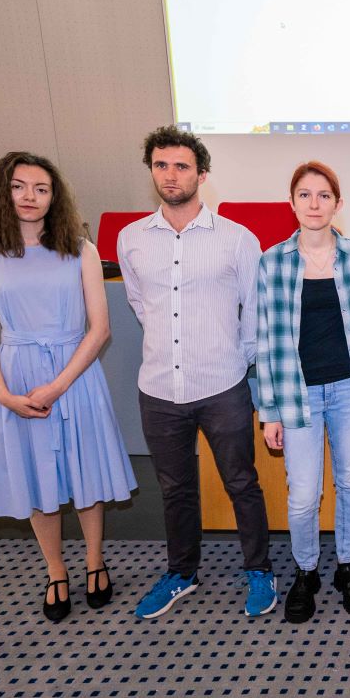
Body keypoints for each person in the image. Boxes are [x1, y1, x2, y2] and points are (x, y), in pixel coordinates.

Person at [0, 151, 137, 622]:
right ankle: (56, 571)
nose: (30, 196)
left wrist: (59, 385)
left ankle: (95, 561)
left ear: (54, 197)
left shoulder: (80, 249)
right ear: (2, 193)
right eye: (19, 186)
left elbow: (99, 329)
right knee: (36, 476)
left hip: (75, 374)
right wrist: (3, 393)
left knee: (86, 474)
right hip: (15, 380)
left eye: (41, 189)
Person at [118, 125, 275, 619]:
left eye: (182, 166)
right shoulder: (131, 240)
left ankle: (259, 569)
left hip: (222, 385)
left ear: (202, 174)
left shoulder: (237, 239)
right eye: (161, 165)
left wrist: (236, 359)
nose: (171, 175)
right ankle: (181, 573)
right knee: (175, 489)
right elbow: (141, 305)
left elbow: (256, 312)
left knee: (241, 482)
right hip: (159, 387)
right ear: (151, 171)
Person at [256, 161, 350, 622]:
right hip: (297, 394)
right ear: (291, 203)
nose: (315, 204)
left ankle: (346, 565)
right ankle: (306, 570)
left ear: (338, 204)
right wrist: (268, 411)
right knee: (303, 494)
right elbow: (266, 340)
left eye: (324, 196)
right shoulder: (272, 261)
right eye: (305, 195)